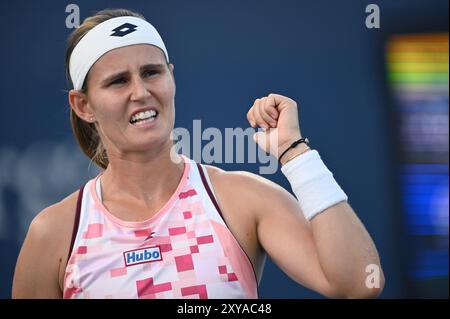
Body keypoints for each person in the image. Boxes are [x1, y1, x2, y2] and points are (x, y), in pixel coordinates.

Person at [12, 8, 384, 299]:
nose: (140, 92)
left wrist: (294, 152)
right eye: (118, 81)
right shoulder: (54, 232)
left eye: (152, 73)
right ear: (83, 106)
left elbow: (359, 283)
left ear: (171, 77)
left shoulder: (242, 199)